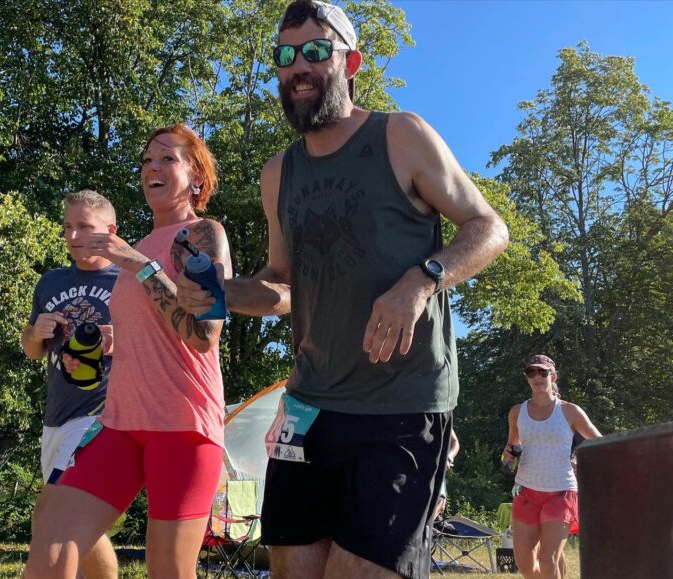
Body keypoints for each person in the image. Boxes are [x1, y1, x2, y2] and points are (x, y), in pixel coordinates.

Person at [177, 2, 509, 577]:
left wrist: (419, 281)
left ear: (350, 61)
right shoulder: (278, 172)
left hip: (400, 404)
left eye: (314, 51)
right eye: (285, 55)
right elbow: (281, 286)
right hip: (309, 404)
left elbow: (488, 228)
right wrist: (222, 293)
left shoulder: (400, 135)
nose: (298, 66)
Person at [25, 124, 232, 579]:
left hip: (182, 425)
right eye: (146, 160)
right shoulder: (134, 247)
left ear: (196, 177)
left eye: (167, 159)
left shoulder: (202, 235)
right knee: (52, 535)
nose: (151, 168)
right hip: (118, 423)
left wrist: (139, 264)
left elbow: (204, 333)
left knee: (169, 571)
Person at [21, 189, 120, 579]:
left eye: (84, 226)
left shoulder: (128, 279)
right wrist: (36, 331)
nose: (74, 236)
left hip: (101, 415)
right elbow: (32, 349)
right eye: (67, 226)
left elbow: (164, 347)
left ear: (110, 230)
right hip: (56, 416)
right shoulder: (51, 281)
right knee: (80, 525)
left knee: (52, 517)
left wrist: (124, 337)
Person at [503, 354, 601, 579]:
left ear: (553, 376)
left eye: (542, 372)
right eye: (531, 372)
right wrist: (508, 455)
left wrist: (578, 458)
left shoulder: (570, 411)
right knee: (525, 565)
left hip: (561, 491)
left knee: (548, 560)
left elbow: (599, 442)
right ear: (527, 377)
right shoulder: (517, 412)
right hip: (526, 490)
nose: (536, 376)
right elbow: (511, 446)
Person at [433, 429, 460, 522]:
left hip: (434, 469)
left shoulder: (440, 415)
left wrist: (449, 457)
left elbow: (455, 442)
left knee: (439, 500)